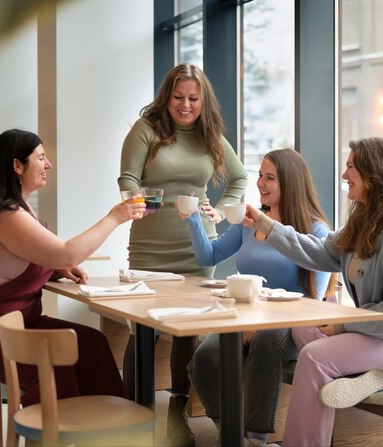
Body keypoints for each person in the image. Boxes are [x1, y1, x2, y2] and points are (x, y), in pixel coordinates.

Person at [243, 137, 383, 447]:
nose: (344, 175)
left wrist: (343, 325)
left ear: (374, 173)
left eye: (351, 167)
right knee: (303, 329)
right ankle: (373, 373)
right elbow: (322, 252)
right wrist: (269, 227)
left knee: (315, 357)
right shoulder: (367, 216)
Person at [0, 129, 146, 408]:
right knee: (54, 362)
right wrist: (115, 217)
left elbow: (23, 259)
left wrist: (55, 270)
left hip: (16, 323)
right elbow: (65, 253)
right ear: (17, 165)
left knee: (92, 343)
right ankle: (52, 435)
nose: (48, 164)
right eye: (40, 157)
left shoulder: (19, 209)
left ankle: (109, 431)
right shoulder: (7, 215)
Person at [118, 63, 248, 446]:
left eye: (193, 98)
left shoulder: (210, 136)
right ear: (167, 96)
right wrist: (136, 199)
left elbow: (240, 177)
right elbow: (127, 176)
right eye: (178, 97)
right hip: (150, 245)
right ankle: (133, 418)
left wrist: (221, 210)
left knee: (186, 333)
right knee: (141, 329)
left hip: (197, 246)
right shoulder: (146, 130)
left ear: (202, 99)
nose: (185, 105)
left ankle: (177, 415)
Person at [183, 148, 334, 447]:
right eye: (260, 176)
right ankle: (228, 432)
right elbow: (207, 255)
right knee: (204, 359)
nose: (260, 184)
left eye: (270, 178)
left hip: (293, 321)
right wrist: (192, 219)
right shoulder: (249, 222)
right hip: (245, 315)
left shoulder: (315, 229)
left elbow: (314, 298)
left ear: (289, 183)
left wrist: (262, 325)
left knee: (266, 344)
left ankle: (256, 440)